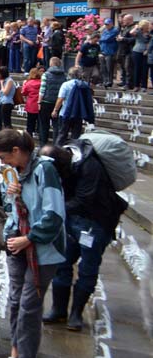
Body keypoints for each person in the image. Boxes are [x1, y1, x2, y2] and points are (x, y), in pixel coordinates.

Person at [0, 129, 66, 358]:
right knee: (14, 301)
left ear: (16, 151)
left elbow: (54, 215)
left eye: (4, 157)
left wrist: (29, 238)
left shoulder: (45, 170)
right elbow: (10, 207)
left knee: (29, 305)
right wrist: (12, 193)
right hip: (17, 244)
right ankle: (15, 353)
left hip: (41, 249)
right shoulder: (14, 173)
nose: (2, 163)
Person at [40, 142, 127, 332]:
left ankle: (76, 313)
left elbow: (83, 200)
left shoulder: (90, 167)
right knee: (61, 262)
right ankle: (58, 309)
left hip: (96, 222)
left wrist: (53, 209)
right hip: (71, 220)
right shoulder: (62, 164)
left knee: (88, 268)